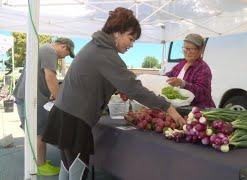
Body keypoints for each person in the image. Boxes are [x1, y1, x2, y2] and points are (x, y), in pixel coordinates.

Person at [41, 7, 186, 180]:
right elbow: (134, 88)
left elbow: (93, 78)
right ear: (117, 32)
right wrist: (167, 107)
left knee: (68, 166)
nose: (132, 45)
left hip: (65, 113)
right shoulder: (105, 53)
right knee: (78, 170)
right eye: (131, 39)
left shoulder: (95, 46)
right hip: (75, 119)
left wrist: (116, 87)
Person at [13, 38, 75, 176]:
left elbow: (45, 78)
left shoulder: (44, 49)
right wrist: (60, 100)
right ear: (64, 46)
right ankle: (40, 165)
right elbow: (50, 77)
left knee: (35, 131)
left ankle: (37, 162)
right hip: (31, 97)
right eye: (66, 54)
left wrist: (52, 93)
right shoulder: (49, 51)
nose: (63, 57)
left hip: (28, 96)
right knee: (39, 132)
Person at [165, 33, 215, 108]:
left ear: (200, 50)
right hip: (182, 108)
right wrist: (155, 78)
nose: (187, 52)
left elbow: (202, 93)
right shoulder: (181, 64)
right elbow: (168, 75)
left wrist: (183, 83)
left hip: (198, 112)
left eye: (191, 49)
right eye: (185, 48)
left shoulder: (203, 68)